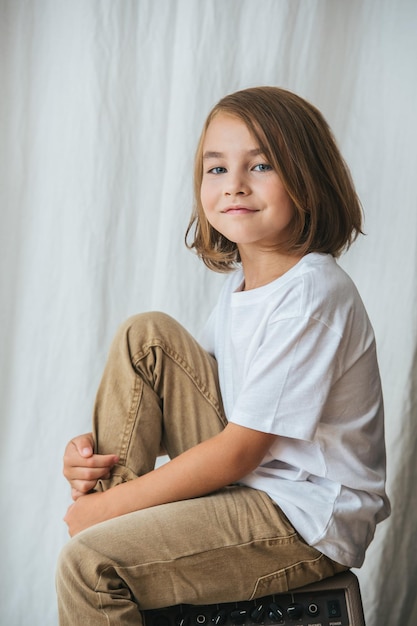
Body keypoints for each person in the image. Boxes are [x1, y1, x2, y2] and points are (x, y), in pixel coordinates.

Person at [56, 86, 390, 625]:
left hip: (302, 516)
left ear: (308, 178)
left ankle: (101, 522)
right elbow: (178, 397)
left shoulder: (311, 293)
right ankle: (104, 504)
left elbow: (239, 451)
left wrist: (107, 510)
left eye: (260, 165)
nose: (234, 184)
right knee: (148, 337)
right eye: (216, 169)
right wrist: (91, 466)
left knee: (90, 563)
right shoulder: (241, 288)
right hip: (256, 484)